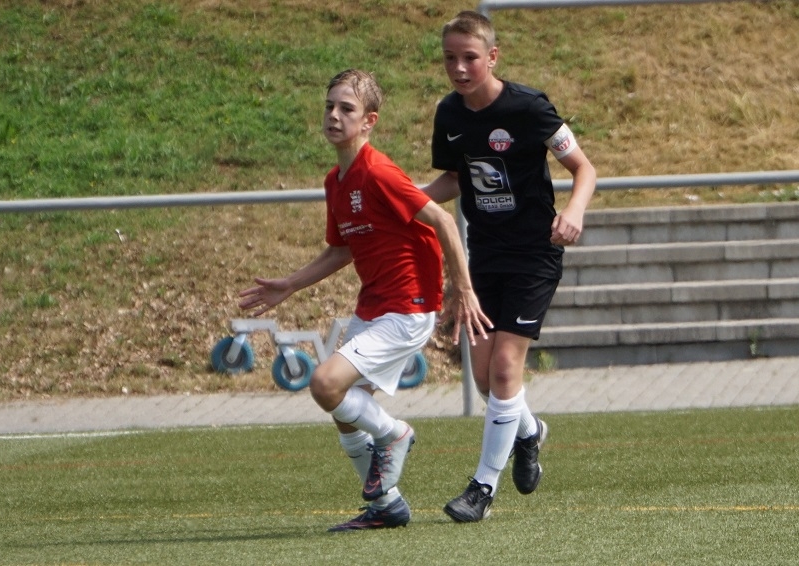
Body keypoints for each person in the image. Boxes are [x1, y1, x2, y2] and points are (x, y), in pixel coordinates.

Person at [238, 69, 491, 532]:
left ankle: (395, 434)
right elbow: (341, 249)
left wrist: (463, 288)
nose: (334, 116)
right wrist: (290, 284)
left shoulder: (378, 172)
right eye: (329, 106)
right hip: (374, 306)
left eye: (346, 109)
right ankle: (386, 506)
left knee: (324, 384)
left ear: (369, 121)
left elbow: (442, 221)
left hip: (408, 306)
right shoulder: (336, 180)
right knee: (343, 410)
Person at [422, 11, 597, 523]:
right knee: (483, 376)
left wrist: (574, 211)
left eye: (470, 57)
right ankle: (529, 431)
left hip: (534, 254)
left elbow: (584, 168)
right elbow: (456, 179)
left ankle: (482, 489)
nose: (459, 68)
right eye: (450, 58)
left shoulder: (528, 107)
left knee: (503, 368)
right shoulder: (449, 114)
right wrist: (410, 198)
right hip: (484, 253)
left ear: (492, 57)